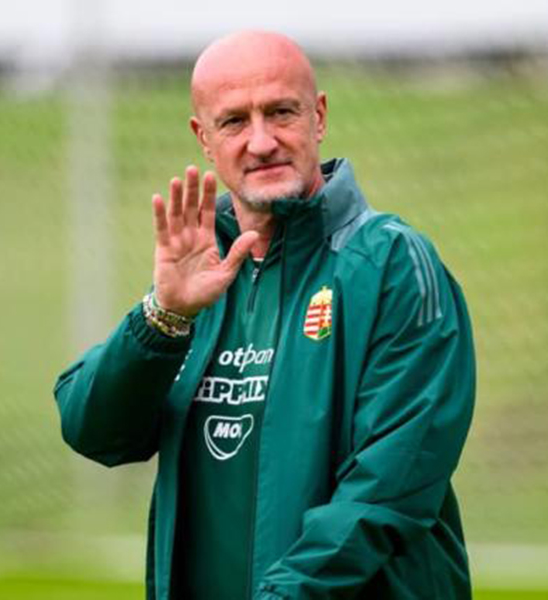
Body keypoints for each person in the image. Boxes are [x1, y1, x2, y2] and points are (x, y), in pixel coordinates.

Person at [54, 30, 476, 600]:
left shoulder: (392, 264)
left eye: (280, 112)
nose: (261, 141)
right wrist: (162, 317)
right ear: (204, 138)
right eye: (234, 121)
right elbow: (95, 431)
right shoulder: (200, 271)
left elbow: (389, 487)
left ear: (318, 117)